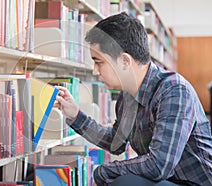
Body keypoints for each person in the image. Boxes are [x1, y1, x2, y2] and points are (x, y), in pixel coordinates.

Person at [54, 12, 212, 186]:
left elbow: (159, 165)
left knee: (126, 182)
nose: (95, 71)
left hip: (194, 183)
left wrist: (102, 171)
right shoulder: (127, 96)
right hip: (167, 181)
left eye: (99, 62)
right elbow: (116, 143)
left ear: (124, 61)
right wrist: (75, 116)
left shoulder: (174, 91)